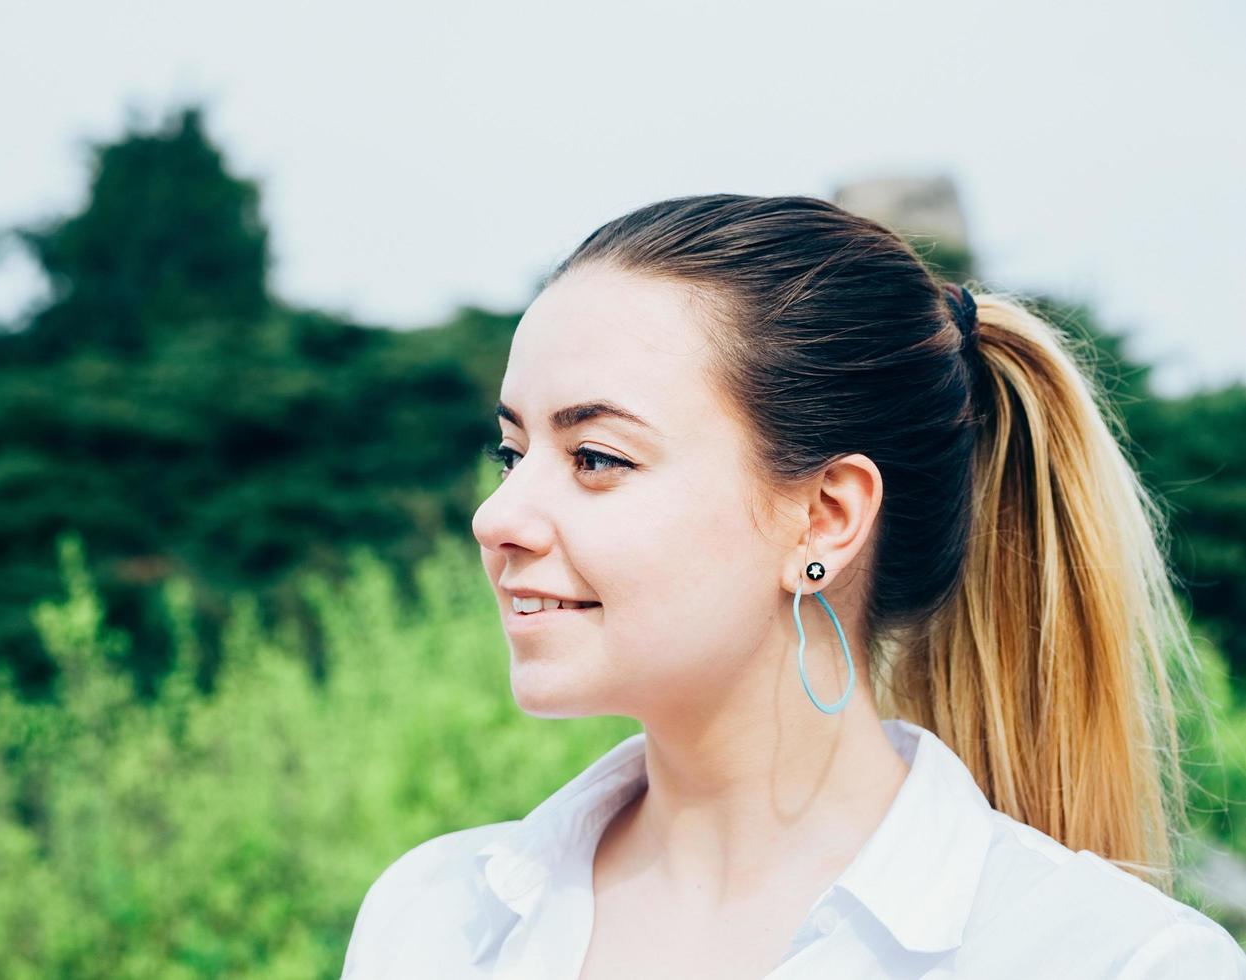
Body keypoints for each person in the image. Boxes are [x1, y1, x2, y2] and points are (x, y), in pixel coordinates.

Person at [341, 194, 1246, 977]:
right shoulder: (433, 922)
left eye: (595, 458)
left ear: (823, 518)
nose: (497, 517)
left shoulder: (1109, 963)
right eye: (513, 452)